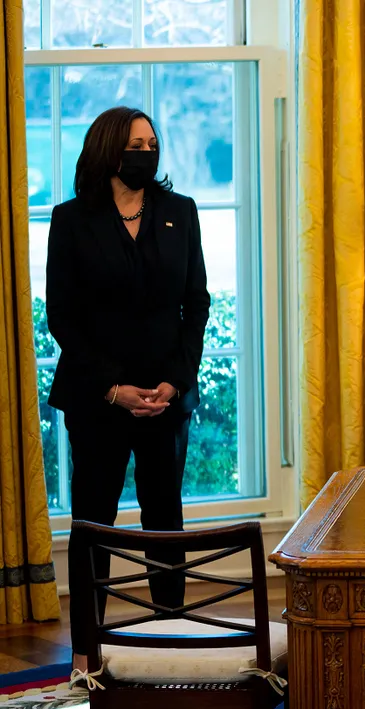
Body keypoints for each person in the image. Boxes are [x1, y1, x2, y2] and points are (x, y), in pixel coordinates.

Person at [46, 107, 210, 676]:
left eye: (153, 142)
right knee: (95, 521)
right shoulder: (71, 220)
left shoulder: (180, 212)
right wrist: (114, 387)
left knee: (165, 519)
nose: (148, 151)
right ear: (110, 151)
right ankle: (87, 654)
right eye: (137, 143)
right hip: (99, 400)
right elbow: (63, 319)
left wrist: (175, 380)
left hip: (166, 399)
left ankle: (170, 641)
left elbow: (197, 304)